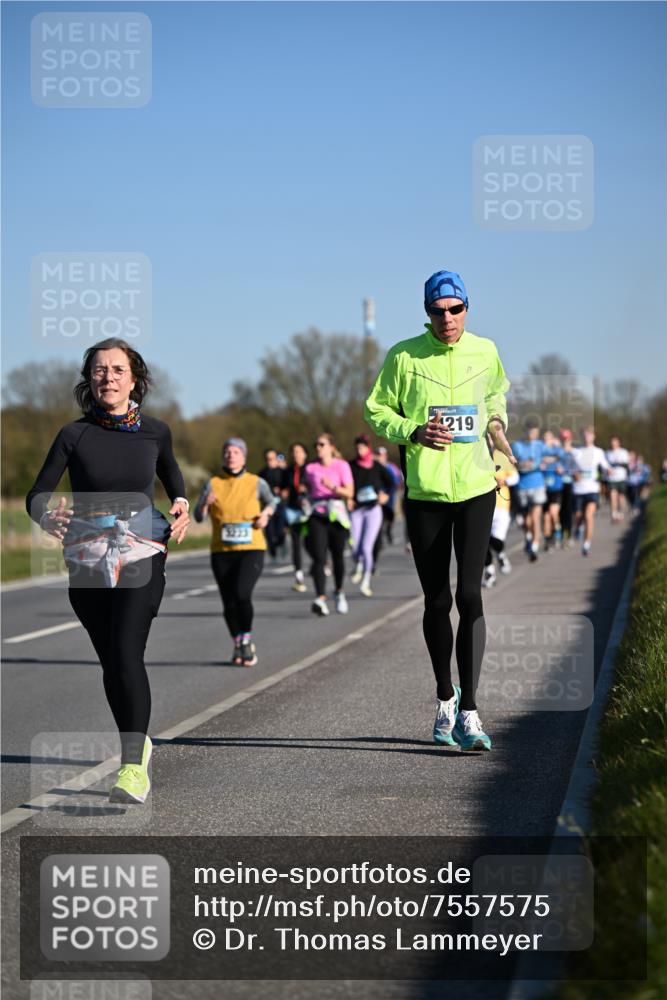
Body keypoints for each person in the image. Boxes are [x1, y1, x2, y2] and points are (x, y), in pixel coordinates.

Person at [26, 338, 191, 805]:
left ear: (134, 378)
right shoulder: (73, 435)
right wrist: (45, 515)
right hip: (87, 558)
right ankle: (138, 739)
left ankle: (133, 766)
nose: (108, 378)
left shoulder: (156, 431)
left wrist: (180, 502)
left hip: (141, 551)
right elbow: (37, 493)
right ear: (88, 379)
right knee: (114, 664)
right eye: (99, 371)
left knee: (124, 652)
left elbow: (172, 475)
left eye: (118, 370)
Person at [365, 268, 515, 751]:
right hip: (426, 493)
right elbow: (375, 409)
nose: (447, 318)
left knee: (470, 595)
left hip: (475, 488)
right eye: (437, 310)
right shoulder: (404, 355)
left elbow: (495, 392)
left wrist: (496, 423)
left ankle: (470, 710)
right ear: (426, 313)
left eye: (454, 309)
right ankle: (444, 696)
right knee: (437, 601)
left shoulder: (485, 350)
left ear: (466, 308)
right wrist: (413, 431)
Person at [194, 437, 276, 666]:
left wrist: (266, 515)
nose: (231, 455)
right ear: (223, 456)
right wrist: (204, 504)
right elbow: (198, 516)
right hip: (221, 550)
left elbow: (273, 501)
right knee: (228, 601)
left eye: (236, 452)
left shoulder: (256, 482)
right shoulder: (213, 483)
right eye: (227, 452)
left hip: (251, 548)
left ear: (244, 456)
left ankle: (247, 639)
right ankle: (238, 643)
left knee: (242, 594)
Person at [303, 433, 354, 616]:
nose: (318, 447)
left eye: (322, 444)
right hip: (317, 514)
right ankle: (320, 598)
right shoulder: (310, 468)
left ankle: (339, 591)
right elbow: (306, 489)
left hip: (337, 514)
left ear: (331, 447)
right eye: (316, 444)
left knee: (338, 556)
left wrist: (333, 487)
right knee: (318, 557)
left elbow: (349, 492)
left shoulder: (342, 466)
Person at [348, 434, 393, 596]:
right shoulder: (351, 466)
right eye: (357, 447)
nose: (359, 450)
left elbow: (391, 483)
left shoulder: (376, 466)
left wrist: (385, 495)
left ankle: (366, 581)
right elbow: (344, 483)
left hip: (373, 510)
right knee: (354, 545)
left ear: (368, 448)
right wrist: (348, 498)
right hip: (357, 510)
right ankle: (358, 563)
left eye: (362, 447)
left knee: (367, 547)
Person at [572, 426, 610, 556]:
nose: (587, 437)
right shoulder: (576, 451)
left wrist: (609, 470)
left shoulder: (598, 452)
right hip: (578, 490)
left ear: (594, 436)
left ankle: (586, 545)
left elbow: (605, 465)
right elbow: (568, 467)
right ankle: (578, 527)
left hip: (592, 489)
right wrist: (574, 474)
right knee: (578, 516)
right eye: (585, 434)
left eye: (589, 434)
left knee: (588, 515)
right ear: (581, 436)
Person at [482, 449, 518, 587]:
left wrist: (504, 481)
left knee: (497, 541)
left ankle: (500, 553)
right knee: (482, 541)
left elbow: (515, 477)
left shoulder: (501, 456)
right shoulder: (475, 453)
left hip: (501, 506)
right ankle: (490, 572)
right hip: (483, 506)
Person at [511, 418, 546, 562]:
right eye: (531, 432)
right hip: (523, 486)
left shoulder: (540, 445)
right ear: (525, 432)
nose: (533, 435)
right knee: (527, 519)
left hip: (538, 484)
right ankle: (528, 537)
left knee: (535, 517)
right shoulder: (517, 446)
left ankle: (534, 547)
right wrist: (521, 464)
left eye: (536, 432)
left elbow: (554, 453)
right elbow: (512, 462)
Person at [281, 442, 310, 592]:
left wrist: (307, 488)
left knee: (310, 542)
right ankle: (298, 575)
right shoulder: (288, 471)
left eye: (298, 451)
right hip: (293, 510)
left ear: (305, 454)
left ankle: (322, 562)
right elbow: (283, 486)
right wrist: (283, 491)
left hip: (308, 509)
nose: (295, 454)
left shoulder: (311, 469)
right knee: (296, 543)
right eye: (293, 451)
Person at [258, 447, 286, 561]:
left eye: (272, 458)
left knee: (280, 530)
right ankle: (272, 550)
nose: (270, 461)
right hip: (267, 506)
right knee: (269, 531)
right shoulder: (262, 473)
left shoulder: (283, 472)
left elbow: (289, 486)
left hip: (280, 504)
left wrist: (283, 491)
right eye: (268, 459)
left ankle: (281, 542)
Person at [541, 429, 565, 550]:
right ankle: (547, 540)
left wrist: (561, 469)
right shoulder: (540, 451)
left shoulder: (557, 450)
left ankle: (558, 534)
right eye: (544, 438)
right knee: (545, 517)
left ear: (552, 439)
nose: (546, 440)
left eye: (548, 438)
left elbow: (564, 462)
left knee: (553, 512)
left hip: (556, 487)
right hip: (544, 488)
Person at [605, 435, 630, 523]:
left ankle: (621, 512)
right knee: (613, 496)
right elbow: (604, 465)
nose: (613, 444)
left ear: (618, 443)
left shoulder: (623, 452)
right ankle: (614, 513)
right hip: (611, 479)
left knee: (621, 497)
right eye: (612, 442)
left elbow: (627, 464)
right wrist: (607, 470)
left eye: (615, 442)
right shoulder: (607, 453)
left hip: (621, 478)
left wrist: (619, 463)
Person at [558, 429, 577, 545]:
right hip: (558, 484)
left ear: (571, 439)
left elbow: (576, 469)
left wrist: (565, 470)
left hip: (570, 483)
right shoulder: (558, 452)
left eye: (567, 438)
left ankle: (569, 534)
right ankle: (560, 533)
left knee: (569, 510)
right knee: (560, 510)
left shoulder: (575, 452)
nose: (565, 441)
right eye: (563, 439)